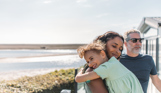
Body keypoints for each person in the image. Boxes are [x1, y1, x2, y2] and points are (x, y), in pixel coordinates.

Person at [75, 40, 144, 92]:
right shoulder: (114, 63)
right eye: (87, 62)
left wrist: (81, 71)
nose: (90, 64)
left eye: (91, 59)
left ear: (102, 54)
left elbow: (78, 79)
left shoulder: (106, 68)